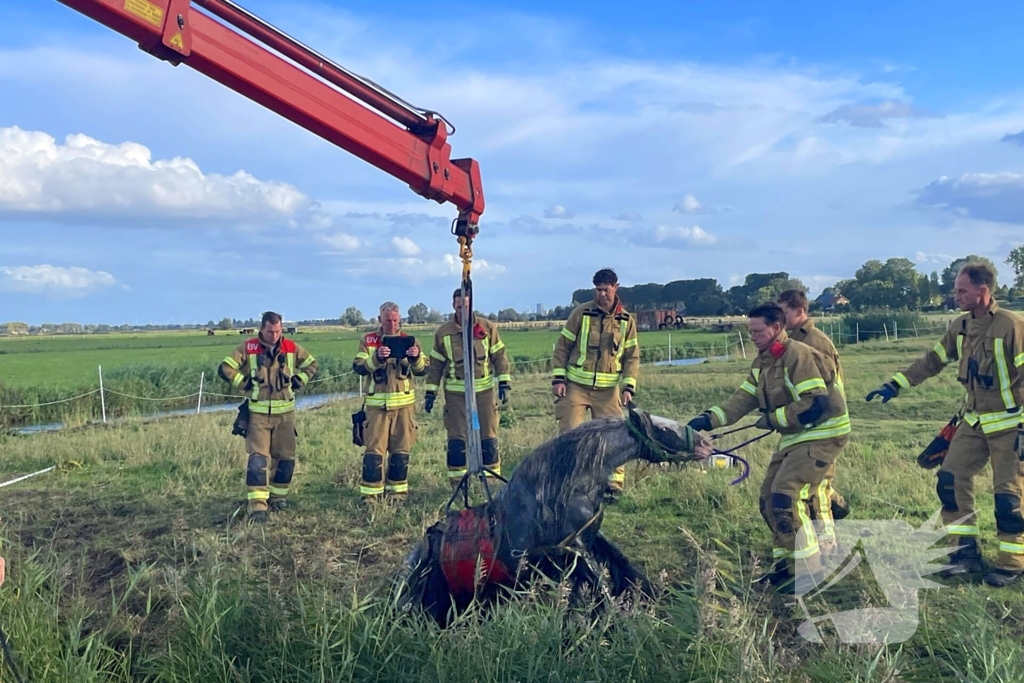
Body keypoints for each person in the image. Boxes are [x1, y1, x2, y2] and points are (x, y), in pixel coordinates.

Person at [866, 263, 1024, 587]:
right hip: (974, 421)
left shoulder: (1012, 325)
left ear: (983, 290)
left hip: (1012, 424)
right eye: (956, 290)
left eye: (961, 290)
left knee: (1008, 498)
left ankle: (1012, 562)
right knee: (950, 482)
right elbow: (933, 361)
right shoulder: (961, 326)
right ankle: (964, 554)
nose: (956, 296)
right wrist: (895, 384)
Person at [688, 302, 850, 590]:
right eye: (750, 331)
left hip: (822, 435)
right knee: (768, 500)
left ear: (776, 328)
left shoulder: (798, 356)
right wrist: (708, 420)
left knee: (785, 498)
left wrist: (774, 418)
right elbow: (743, 398)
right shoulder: (763, 362)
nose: (752, 336)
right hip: (796, 437)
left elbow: (815, 405)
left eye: (758, 331)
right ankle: (789, 564)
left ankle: (809, 572)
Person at [219, 311, 318, 523]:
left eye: (277, 331)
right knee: (258, 461)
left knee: (285, 459)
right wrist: (244, 383)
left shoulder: (291, 347)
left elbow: (312, 364)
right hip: (258, 415)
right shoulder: (249, 347)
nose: (274, 335)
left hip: (286, 415)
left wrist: (300, 379)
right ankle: (257, 506)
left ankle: (278, 498)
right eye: (270, 331)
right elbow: (225, 368)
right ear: (262, 329)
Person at [551, 268, 639, 494]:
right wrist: (559, 379)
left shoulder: (626, 321)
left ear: (615, 288)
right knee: (570, 435)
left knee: (614, 438)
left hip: (609, 392)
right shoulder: (580, 314)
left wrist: (628, 387)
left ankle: (613, 484)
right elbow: (562, 348)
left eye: (605, 290)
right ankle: (567, 483)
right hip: (575, 388)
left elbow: (632, 358)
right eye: (598, 290)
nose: (601, 295)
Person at [778, 289, 851, 553]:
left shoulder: (815, 342)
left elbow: (826, 390)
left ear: (800, 311)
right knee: (815, 485)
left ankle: (828, 547)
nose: (780, 319)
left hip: (824, 425)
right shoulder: (791, 340)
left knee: (817, 488)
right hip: (805, 426)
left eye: (784, 313)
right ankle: (837, 506)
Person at [425, 288, 511, 484]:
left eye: (465, 306)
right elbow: (436, 365)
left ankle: (490, 481)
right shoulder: (443, 333)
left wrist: (504, 383)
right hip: (456, 395)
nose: (462, 310)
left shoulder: (487, 328)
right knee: (457, 442)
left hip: (485, 393)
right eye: (458, 306)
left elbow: (500, 357)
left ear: (471, 304)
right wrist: (430, 393)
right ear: (452, 305)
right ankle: (459, 483)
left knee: (488, 439)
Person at [352, 302, 427, 503]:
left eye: (395, 320)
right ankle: (371, 496)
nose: (391, 324)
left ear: (400, 319)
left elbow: (423, 370)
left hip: (404, 407)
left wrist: (415, 357)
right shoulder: (368, 341)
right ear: (379, 320)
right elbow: (359, 367)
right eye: (387, 320)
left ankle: (397, 494)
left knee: (401, 451)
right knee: (374, 453)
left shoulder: (409, 341)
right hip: (377, 408)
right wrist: (376, 358)